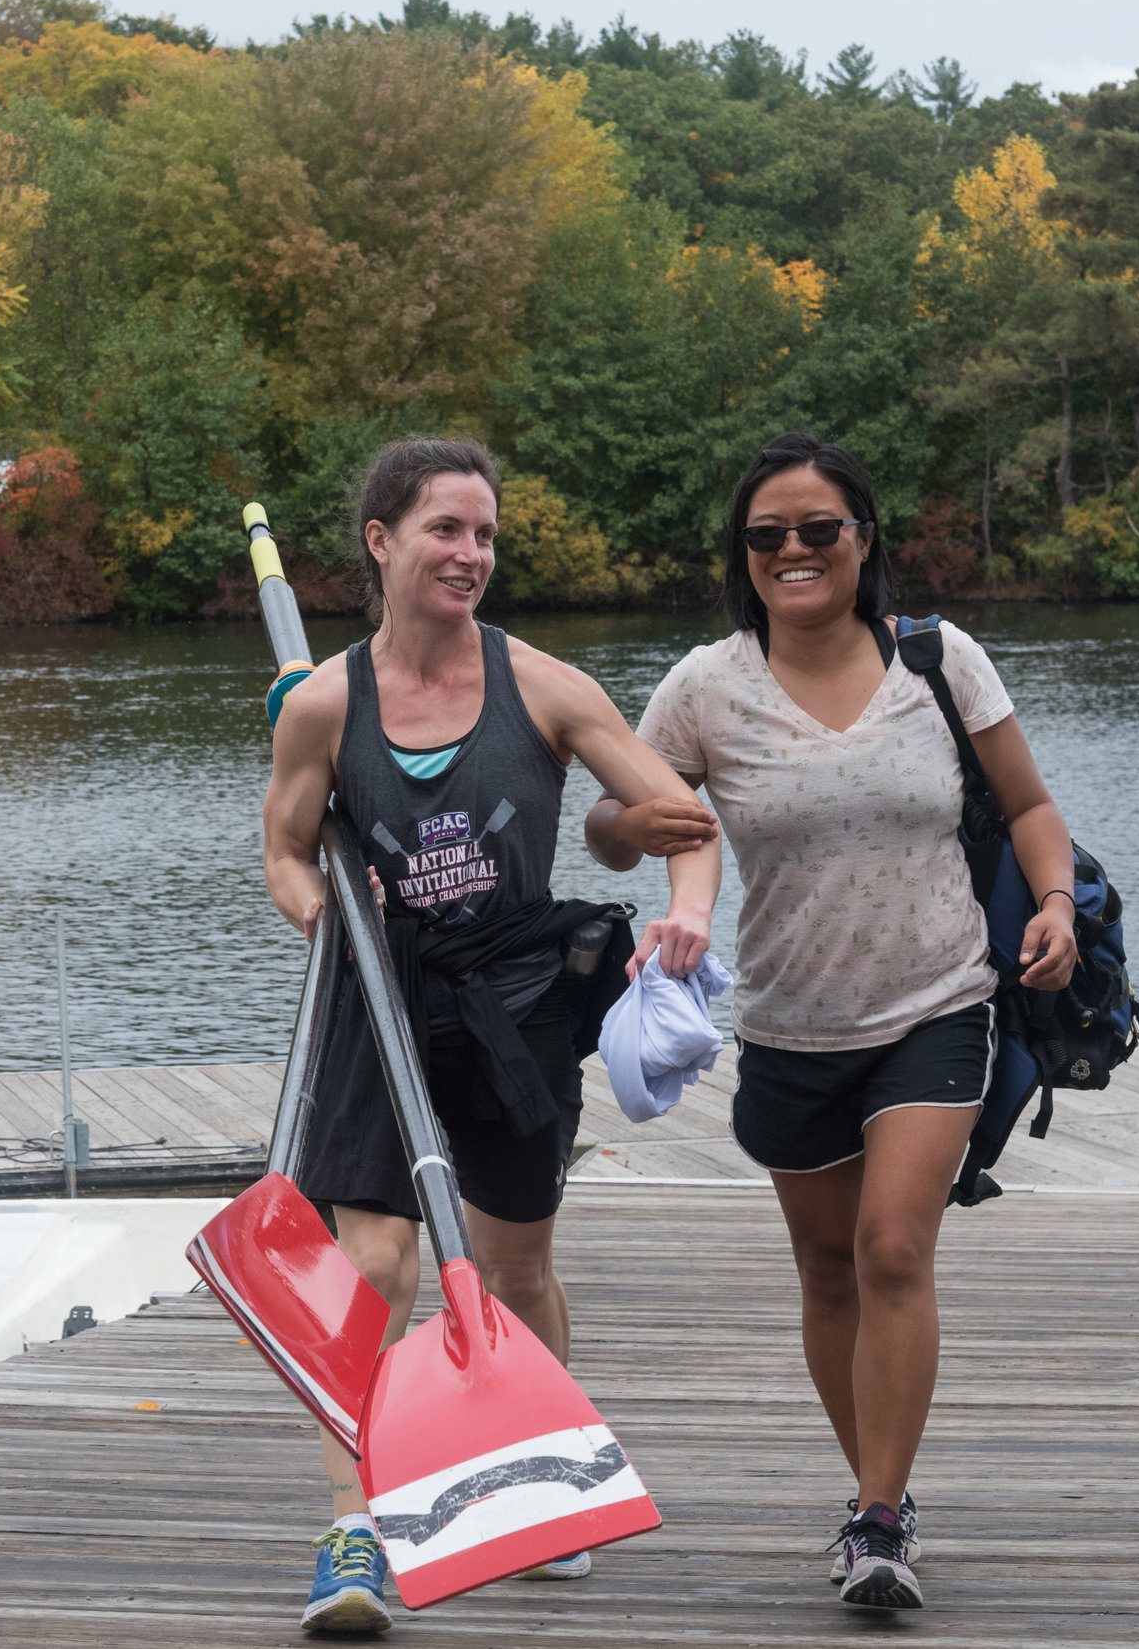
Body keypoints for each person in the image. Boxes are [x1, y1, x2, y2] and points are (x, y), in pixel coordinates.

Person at [586, 431, 1077, 1612]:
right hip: (790, 1020)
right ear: (741, 555)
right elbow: (619, 816)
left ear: (864, 539)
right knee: (824, 1267)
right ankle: (874, 1492)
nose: (794, 550)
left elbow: (1028, 802)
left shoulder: (938, 659)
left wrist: (1054, 898)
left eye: (819, 529)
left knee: (892, 1247)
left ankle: (877, 1516)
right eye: (768, 535)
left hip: (939, 1000)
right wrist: (628, 835)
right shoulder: (706, 685)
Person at [262, 437, 721, 1634]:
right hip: (379, 1001)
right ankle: (353, 1531)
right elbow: (282, 852)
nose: (471, 555)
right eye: (445, 531)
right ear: (381, 541)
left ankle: (539, 1486)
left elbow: (682, 818)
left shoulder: (549, 688)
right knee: (371, 1266)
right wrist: (328, 925)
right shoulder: (322, 705)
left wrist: (686, 912)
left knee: (513, 1267)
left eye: (485, 534)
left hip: (515, 1003)